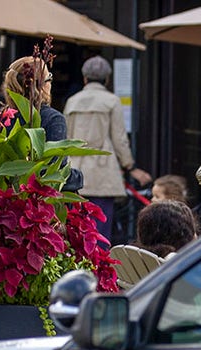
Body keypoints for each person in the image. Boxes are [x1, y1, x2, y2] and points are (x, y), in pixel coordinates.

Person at [64, 56, 152, 241]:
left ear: (84, 78)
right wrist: (130, 166)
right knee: (100, 232)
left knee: (74, 230)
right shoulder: (112, 101)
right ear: (107, 79)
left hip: (74, 172)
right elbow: (119, 139)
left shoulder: (72, 101)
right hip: (103, 173)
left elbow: (65, 139)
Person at [0, 52, 83, 195]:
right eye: (49, 78)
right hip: (35, 208)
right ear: (43, 85)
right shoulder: (52, 119)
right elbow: (53, 174)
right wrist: (78, 177)